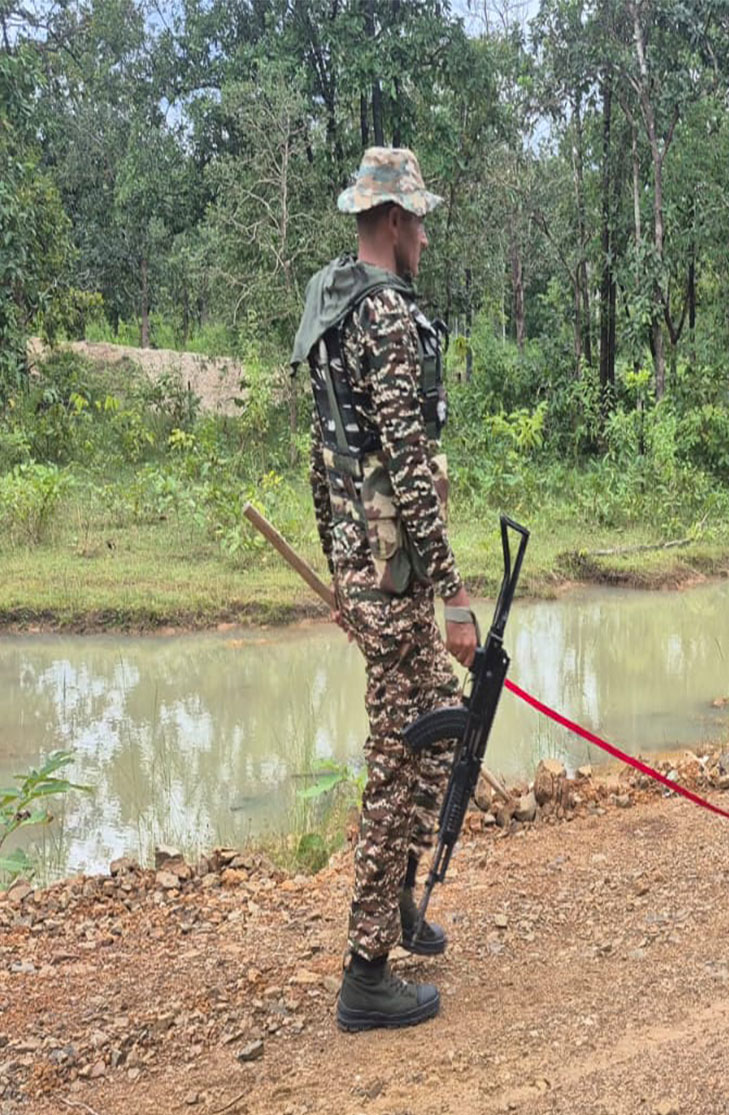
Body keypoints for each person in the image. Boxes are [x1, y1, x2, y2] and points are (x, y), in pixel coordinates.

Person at [290, 146, 476, 1031]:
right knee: (400, 758)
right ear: (393, 221)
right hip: (395, 578)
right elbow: (405, 465)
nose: (426, 239)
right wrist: (454, 595)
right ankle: (366, 973)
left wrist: (339, 574)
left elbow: (322, 460)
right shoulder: (386, 315)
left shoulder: (330, 307)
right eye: (420, 223)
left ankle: (396, 896)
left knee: (438, 723)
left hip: (363, 569)